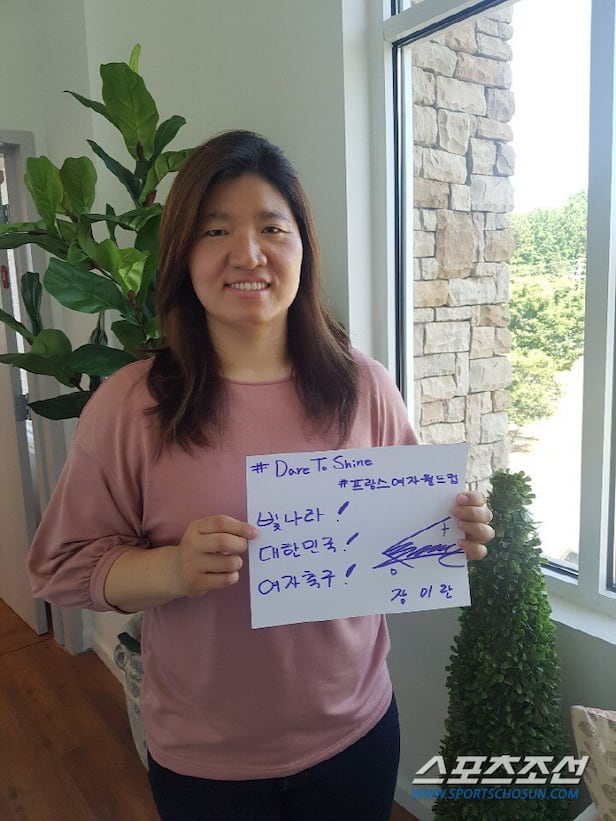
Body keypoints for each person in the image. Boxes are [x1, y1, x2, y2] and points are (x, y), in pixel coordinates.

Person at [28, 130, 494, 821]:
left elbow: (403, 530)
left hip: (357, 735)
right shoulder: (131, 404)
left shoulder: (365, 386)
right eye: (216, 230)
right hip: (205, 763)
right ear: (183, 255)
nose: (248, 253)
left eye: (272, 228)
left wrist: (451, 529)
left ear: (303, 247)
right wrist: (172, 569)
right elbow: (61, 567)